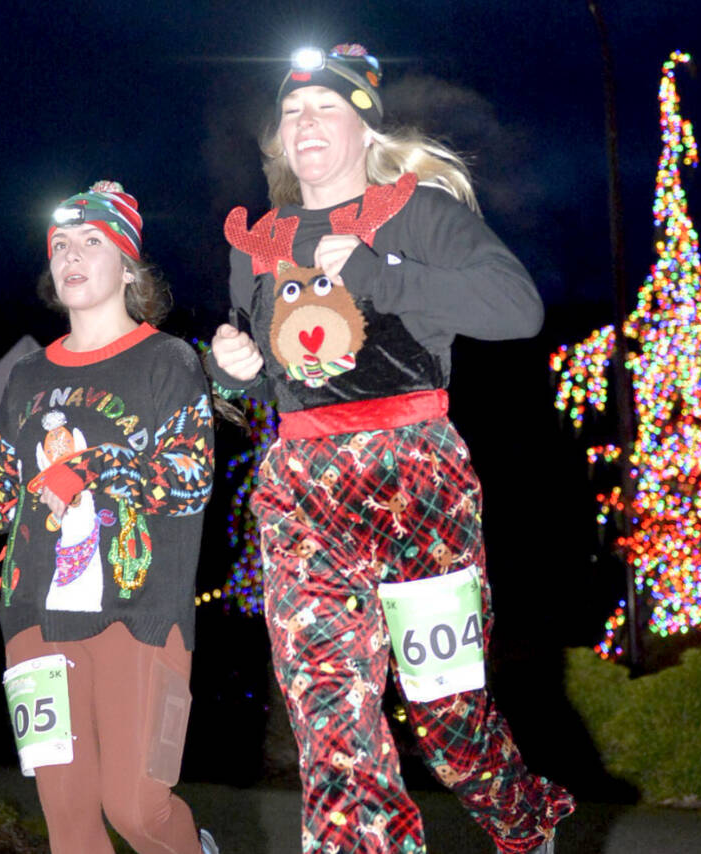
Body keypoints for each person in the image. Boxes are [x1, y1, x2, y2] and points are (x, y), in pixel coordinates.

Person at [208, 44, 574, 854]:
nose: (304, 123)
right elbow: (280, 380)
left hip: (416, 480)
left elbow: (517, 309)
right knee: (332, 722)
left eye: (325, 108)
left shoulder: (420, 215)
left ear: (364, 127)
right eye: (292, 112)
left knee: (447, 716)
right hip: (300, 492)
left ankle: (522, 818)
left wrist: (385, 276)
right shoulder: (257, 244)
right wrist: (234, 375)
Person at [0, 180, 219, 854]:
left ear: (127, 266)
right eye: (60, 245)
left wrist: (90, 468)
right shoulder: (27, 375)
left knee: (136, 807)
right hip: (34, 619)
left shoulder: (170, 361)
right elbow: (7, 496)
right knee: (68, 821)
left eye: (91, 242)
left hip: (141, 616)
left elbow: (191, 480)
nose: (71, 255)